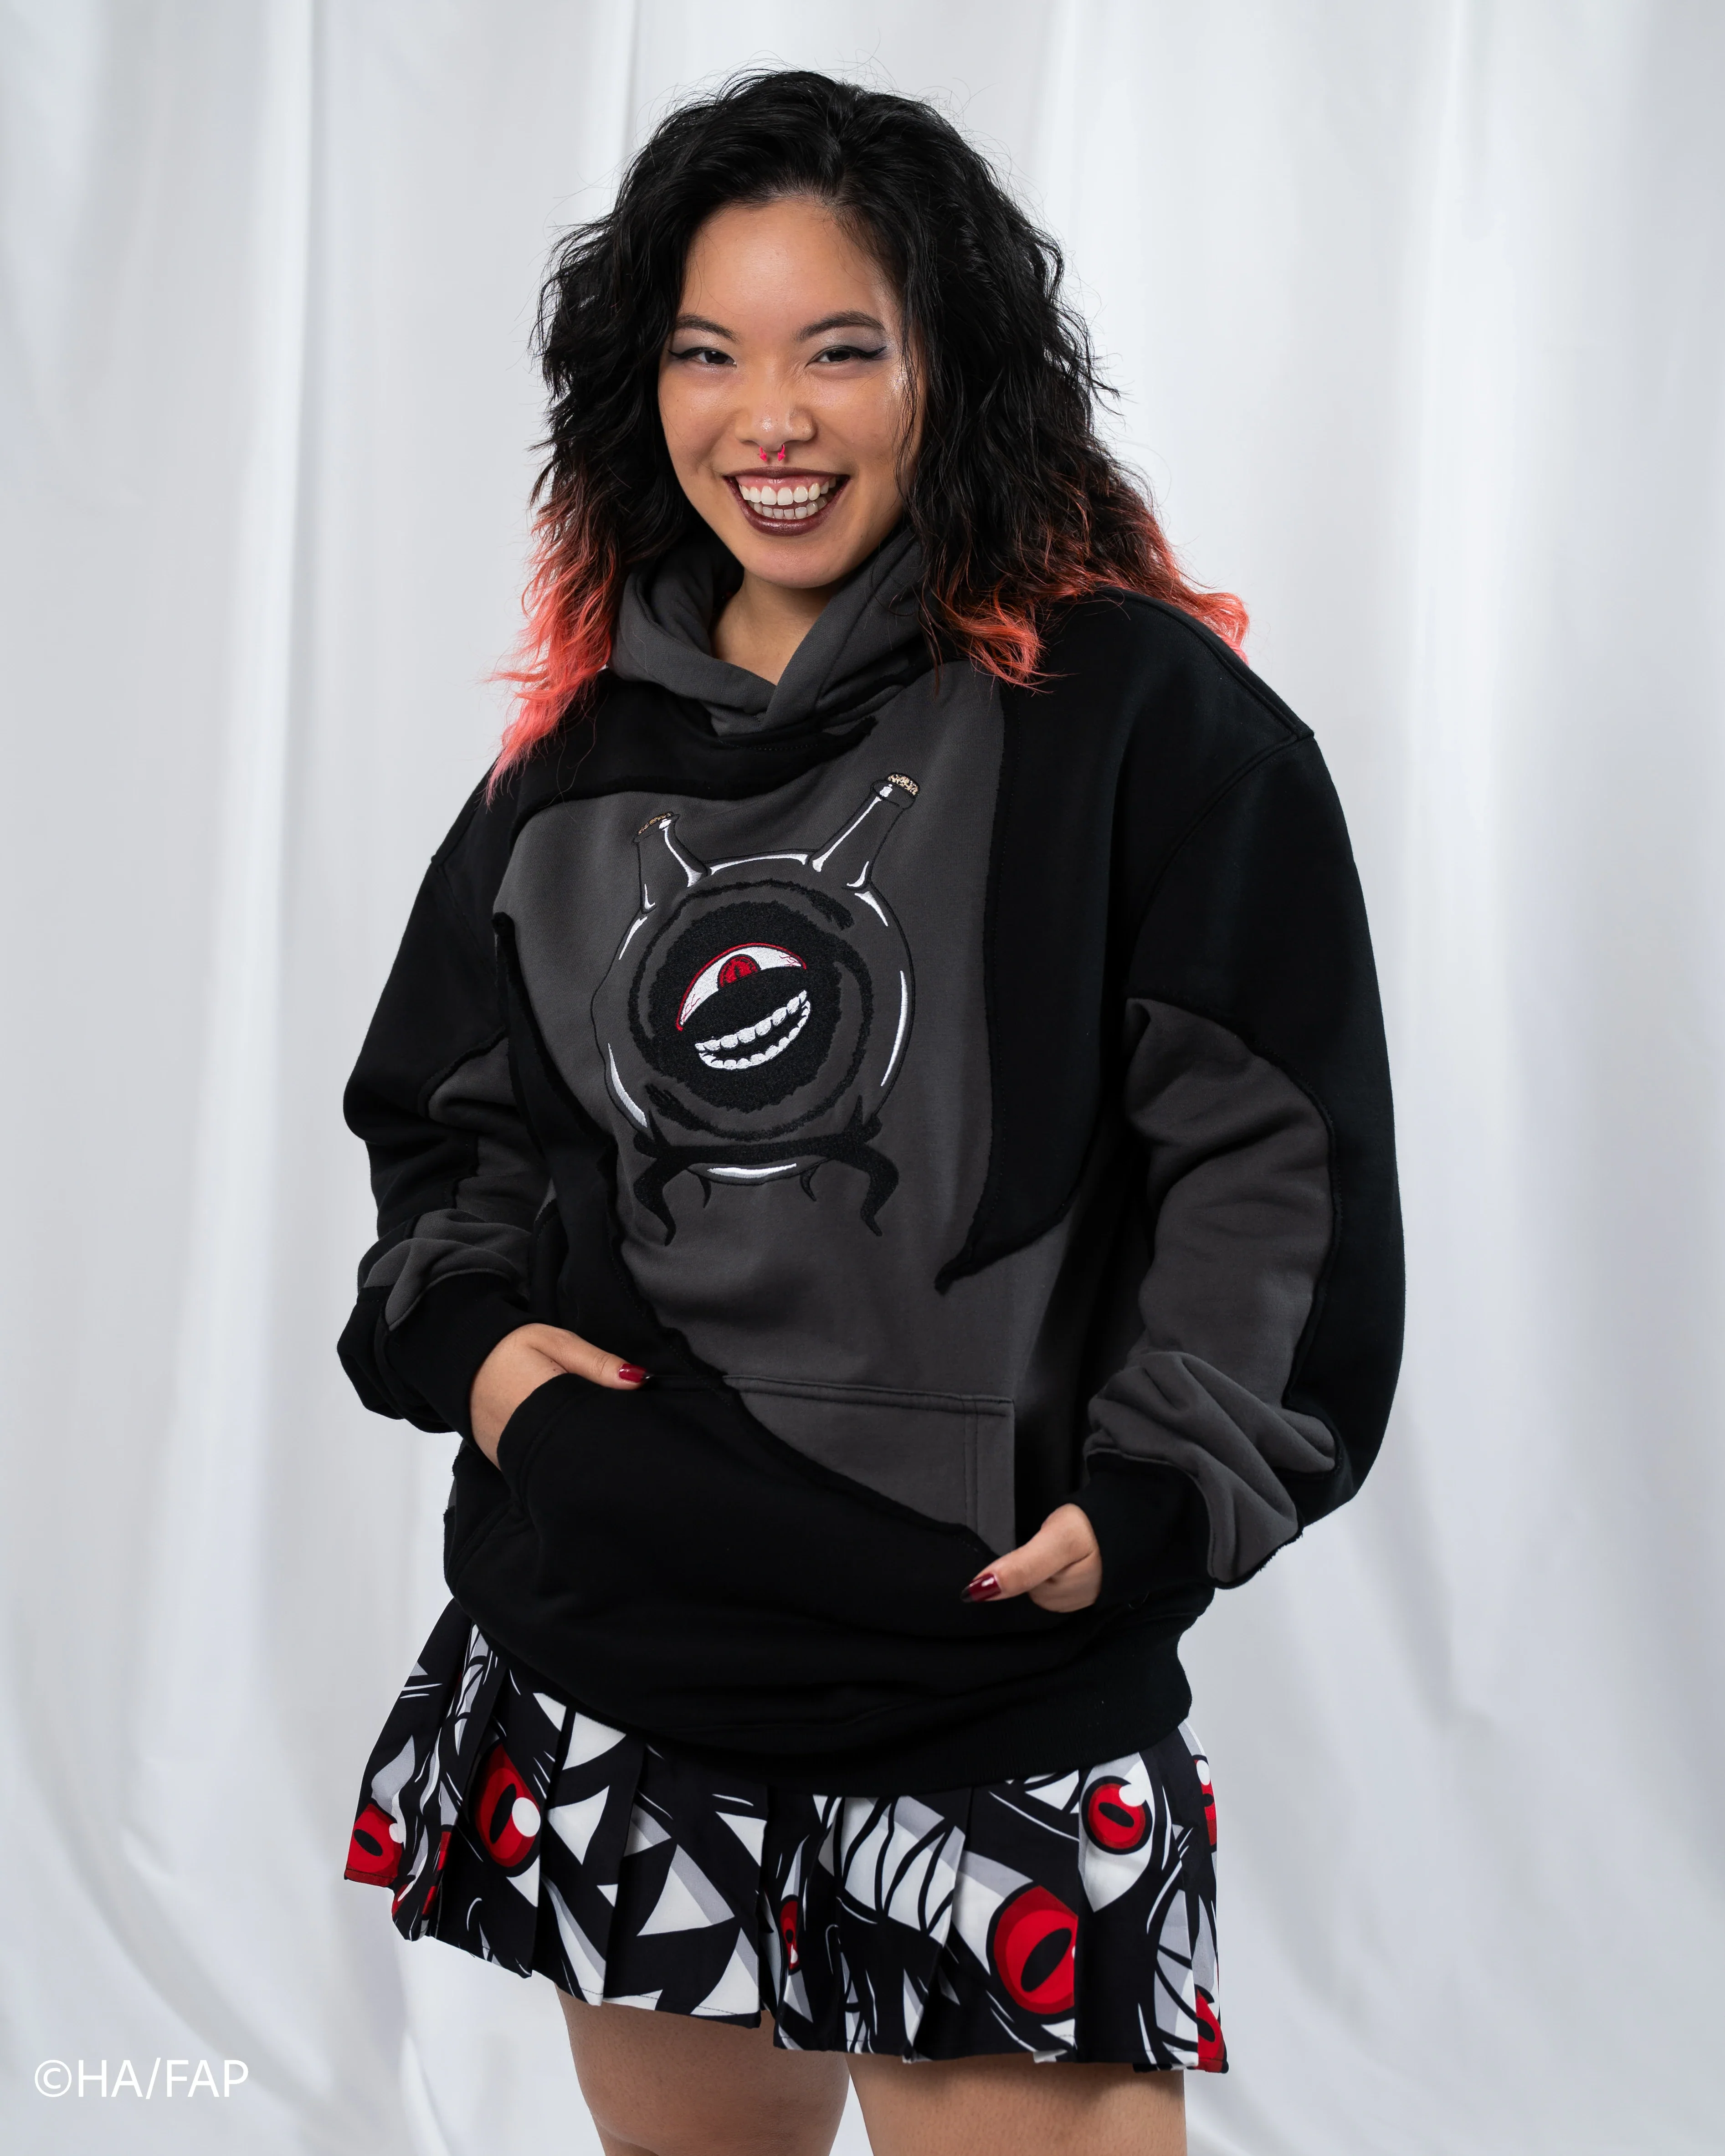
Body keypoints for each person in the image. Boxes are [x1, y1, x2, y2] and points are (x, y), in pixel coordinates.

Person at [338, 68, 1402, 2156]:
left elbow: (1269, 1156)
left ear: (954, 368)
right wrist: (488, 1362)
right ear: (639, 389)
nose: (771, 419)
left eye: (841, 350)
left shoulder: (1138, 720)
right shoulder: (572, 759)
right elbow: (446, 1124)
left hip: (987, 1664)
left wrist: (1164, 1493)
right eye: (706, 354)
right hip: (624, 1641)